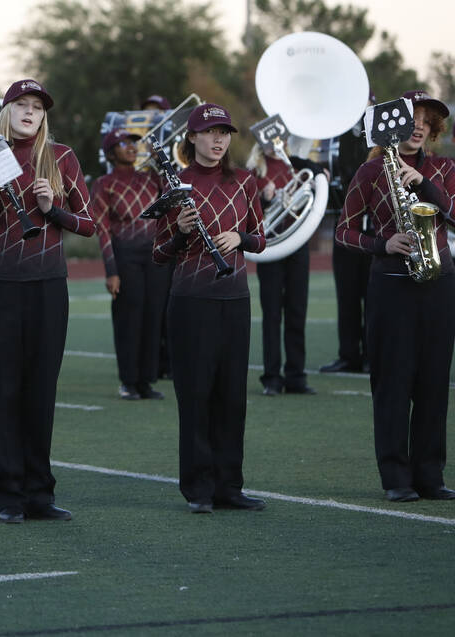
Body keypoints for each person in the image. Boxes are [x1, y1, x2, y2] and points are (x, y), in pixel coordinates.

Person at [0, 79, 94, 524]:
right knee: (3, 391)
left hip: (48, 286)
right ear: (6, 111)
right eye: (21, 104)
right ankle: (8, 493)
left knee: (41, 391)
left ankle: (41, 493)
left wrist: (51, 207)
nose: (30, 112)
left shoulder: (62, 158)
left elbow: (90, 224)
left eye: (37, 106)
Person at [335, 90, 455, 502]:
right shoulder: (370, 172)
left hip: (439, 282)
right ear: (393, 123)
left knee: (435, 383)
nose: (419, 125)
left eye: (427, 119)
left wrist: (425, 185)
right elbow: (343, 231)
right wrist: (382, 244)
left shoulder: (443, 168)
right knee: (392, 383)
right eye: (411, 116)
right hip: (390, 284)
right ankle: (396, 478)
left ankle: (430, 475)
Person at [152, 102, 266, 514]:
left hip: (234, 300)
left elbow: (261, 238)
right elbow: (159, 255)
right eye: (210, 132)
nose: (218, 139)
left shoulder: (245, 183)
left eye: (224, 133)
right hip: (190, 302)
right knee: (196, 397)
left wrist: (241, 239)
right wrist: (181, 233)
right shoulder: (174, 184)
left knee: (232, 398)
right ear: (193, 137)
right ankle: (198, 489)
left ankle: (229, 487)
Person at [88, 128, 168, 400]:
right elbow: (103, 230)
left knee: (153, 318)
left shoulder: (150, 178)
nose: (132, 147)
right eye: (124, 143)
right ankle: (128, 381)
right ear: (111, 152)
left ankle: (146, 380)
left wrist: (161, 160)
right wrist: (112, 271)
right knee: (128, 320)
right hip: (125, 257)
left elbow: (175, 194)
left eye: (134, 142)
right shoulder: (103, 184)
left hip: (155, 257)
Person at [246, 143, 322, 396]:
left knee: (297, 311)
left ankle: (296, 376)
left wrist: (312, 178)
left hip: (296, 242)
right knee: (272, 314)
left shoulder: (295, 165)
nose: (275, 143)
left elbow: (318, 174)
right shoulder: (253, 172)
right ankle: (272, 378)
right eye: (269, 138)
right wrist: (264, 200)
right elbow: (246, 211)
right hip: (270, 246)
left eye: (279, 138)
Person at [321, 94, 376, 374]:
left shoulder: (377, 130)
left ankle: (371, 355)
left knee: (373, 294)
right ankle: (349, 354)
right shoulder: (333, 131)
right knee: (347, 295)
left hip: (374, 227)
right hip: (345, 225)